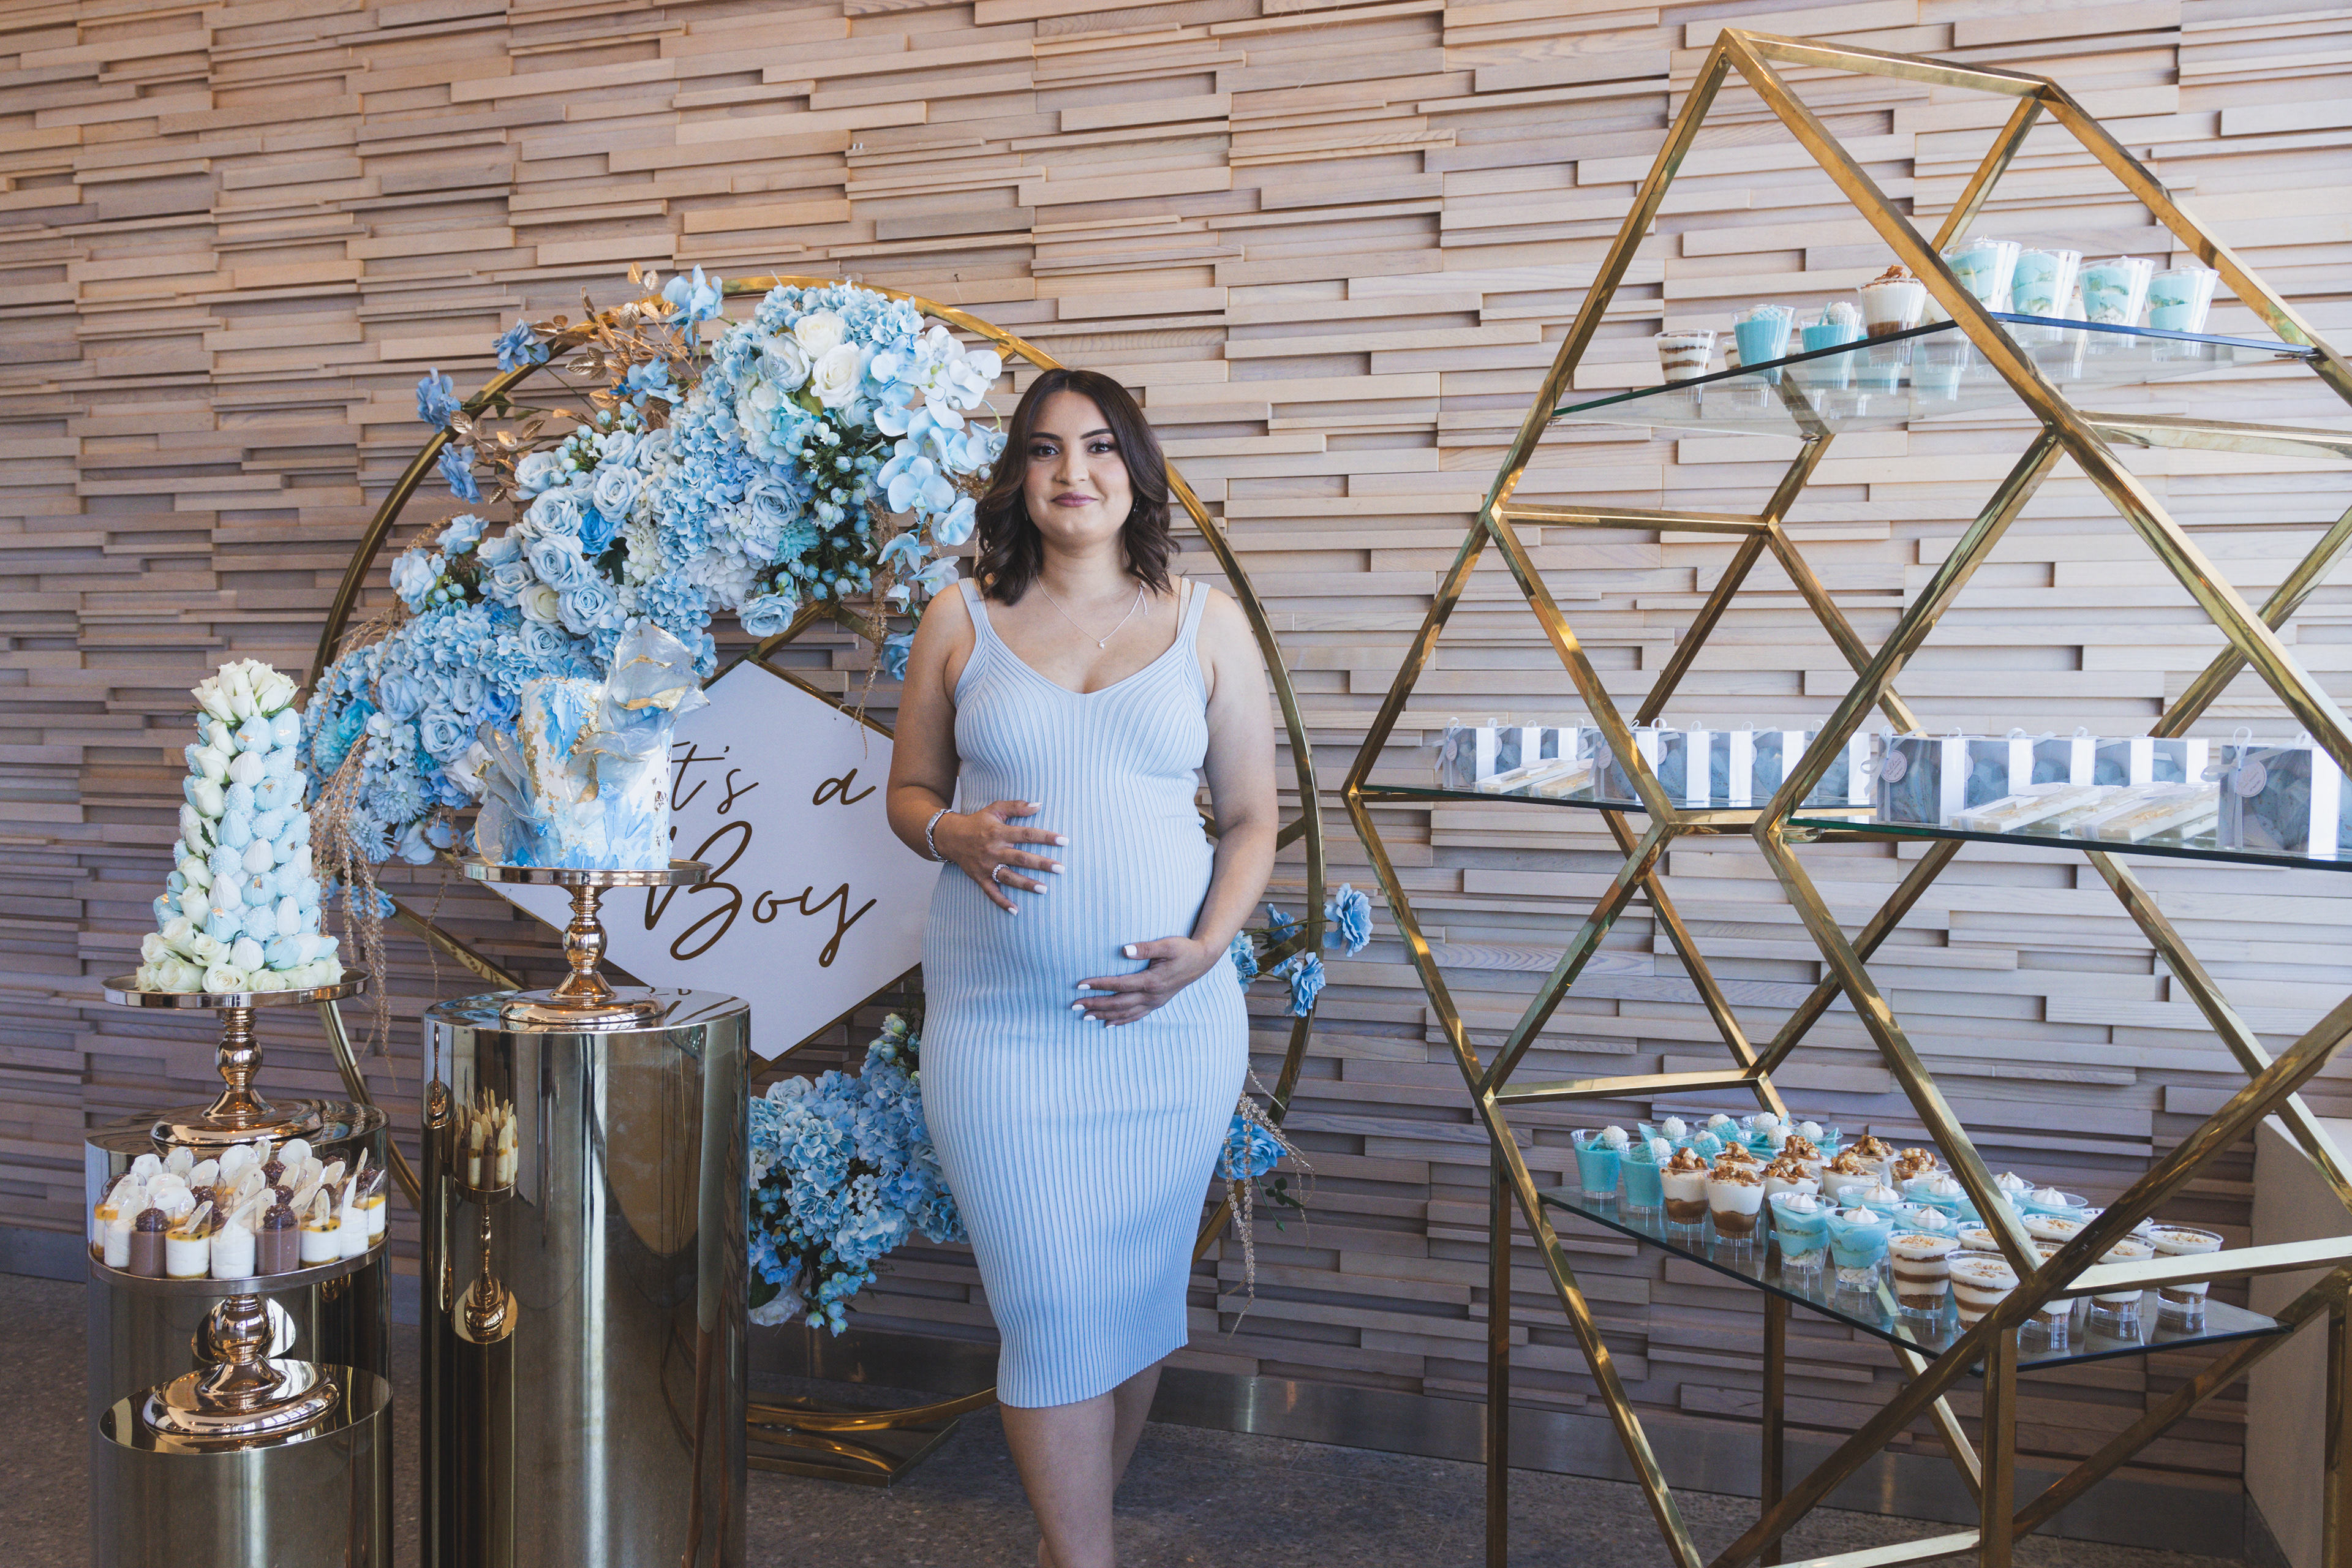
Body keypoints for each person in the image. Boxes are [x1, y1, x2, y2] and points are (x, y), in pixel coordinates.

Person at [887, 367, 1277, 1568]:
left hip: (1172, 1033)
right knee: (1052, 1305)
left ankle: (1075, 1546)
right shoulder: (960, 619)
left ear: (1135, 470)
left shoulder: (1207, 623)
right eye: (1046, 448)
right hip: (1001, 1031)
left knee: (1133, 1301)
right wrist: (951, 832)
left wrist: (1204, 952)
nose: (1073, 470)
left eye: (1100, 446)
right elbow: (908, 792)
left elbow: (1252, 818)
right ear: (1019, 476)